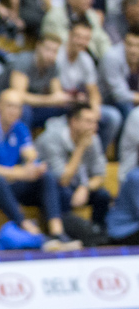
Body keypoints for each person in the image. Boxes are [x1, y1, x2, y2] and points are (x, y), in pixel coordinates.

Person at [0, 88, 74, 249]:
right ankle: (28, 229)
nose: (13, 111)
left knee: (45, 177)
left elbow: (30, 155)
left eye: (17, 107)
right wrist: (20, 173)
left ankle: (57, 233)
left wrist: (36, 167)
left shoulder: (20, 129)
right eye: (9, 106)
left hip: (3, 187)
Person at [35, 104, 109, 245]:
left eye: (95, 122)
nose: (93, 127)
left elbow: (100, 175)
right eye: (88, 122)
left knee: (102, 196)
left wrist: (85, 187)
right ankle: (62, 235)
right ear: (74, 122)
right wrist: (80, 148)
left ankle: (98, 235)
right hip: (51, 189)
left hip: (78, 186)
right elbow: (62, 178)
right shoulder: (52, 138)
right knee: (64, 192)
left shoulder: (93, 139)